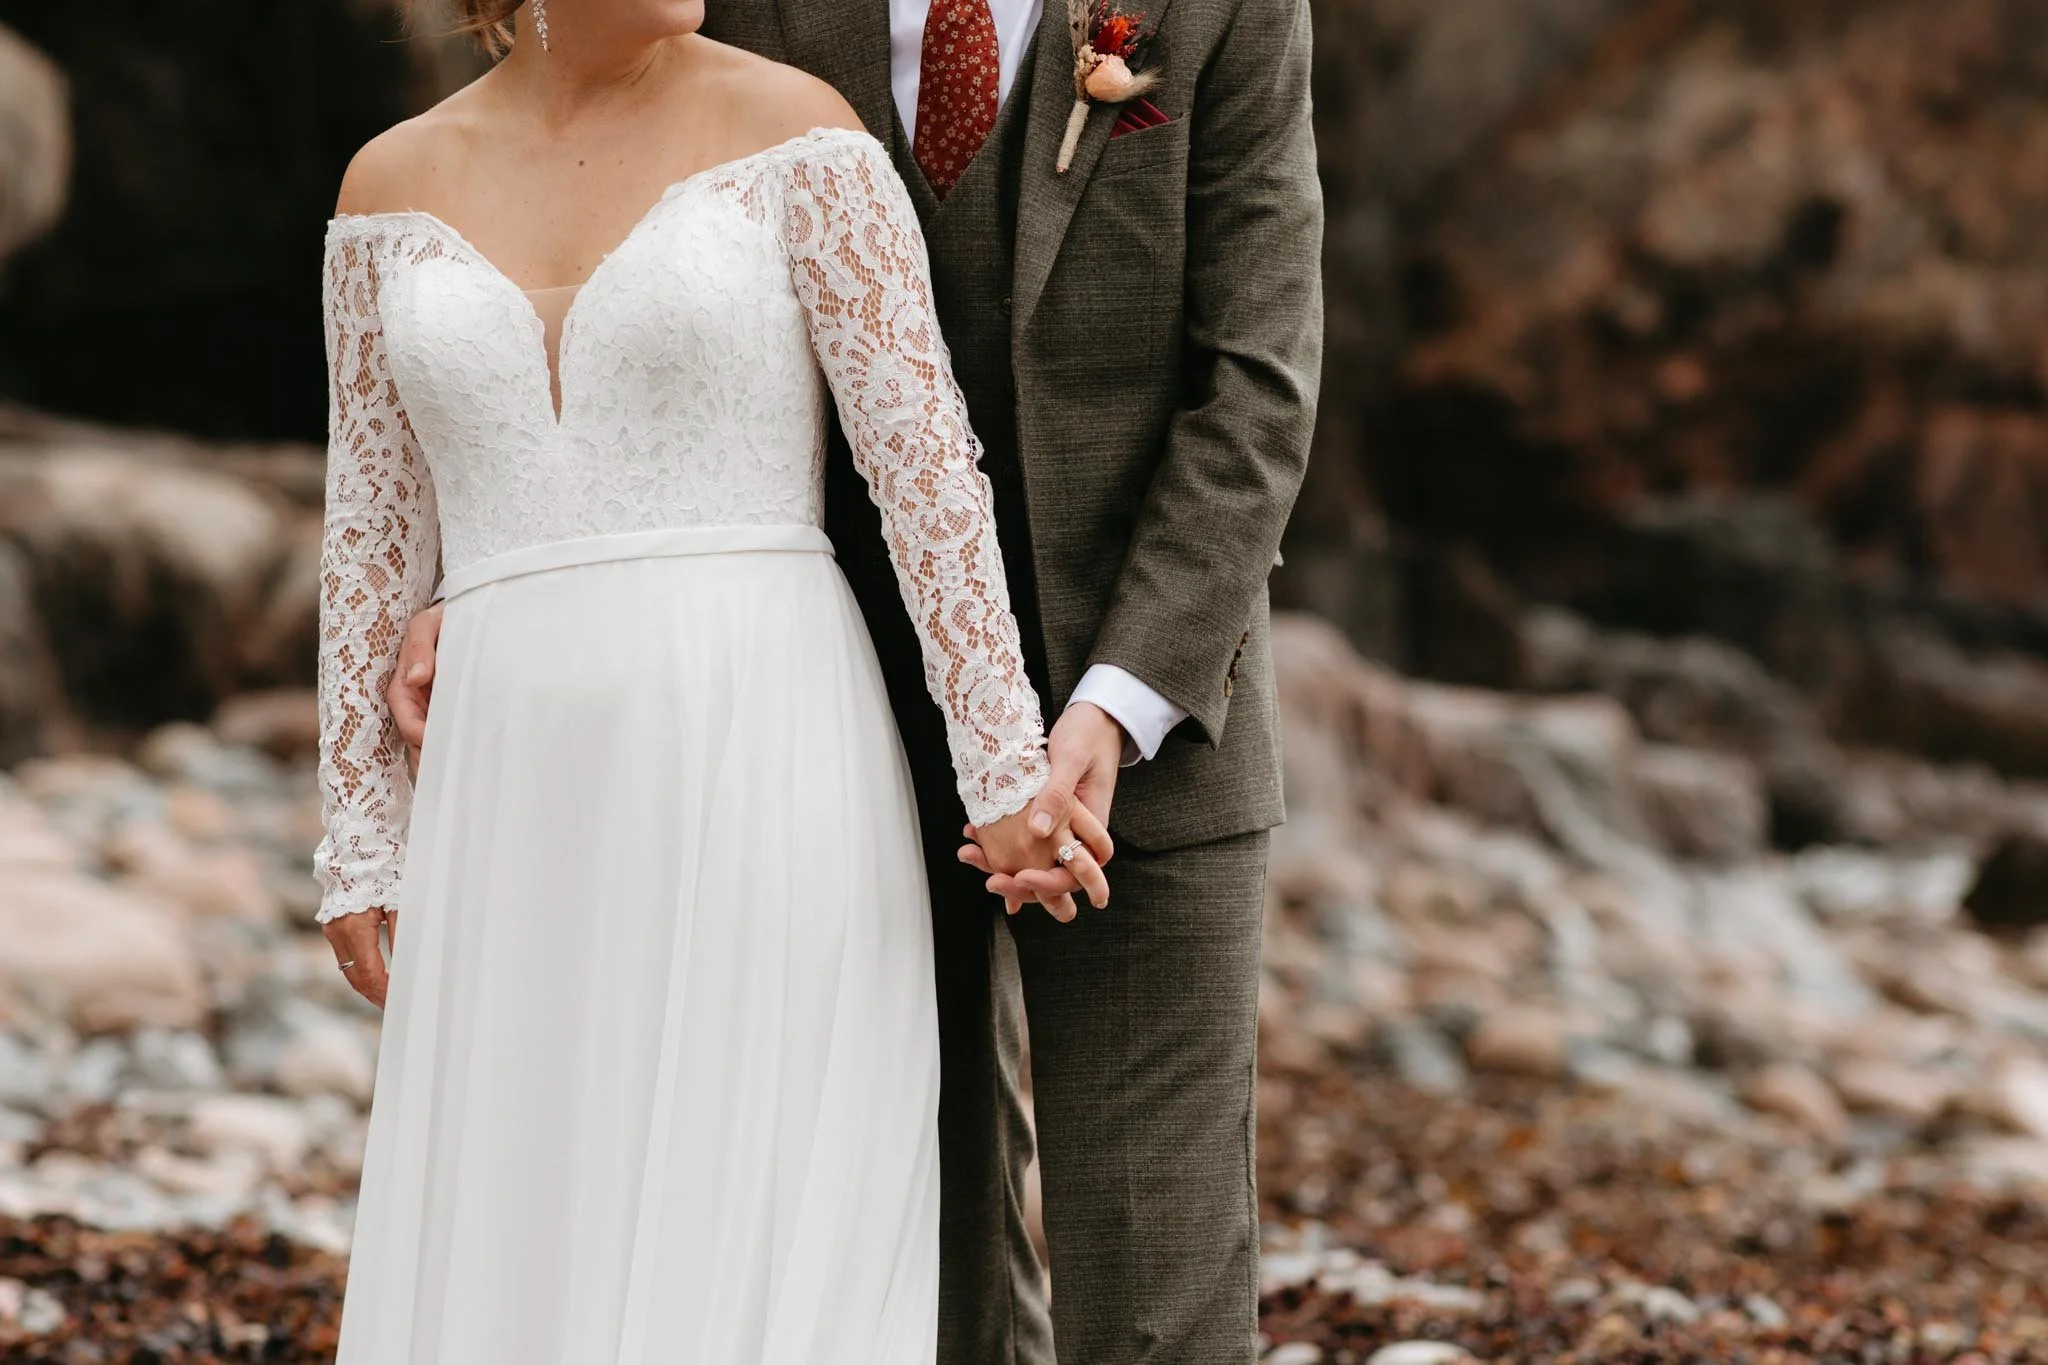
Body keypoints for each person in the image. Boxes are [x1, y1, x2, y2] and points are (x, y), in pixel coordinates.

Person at [376, 0, 1322, 1360]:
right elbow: (599, 280)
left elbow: (1260, 383)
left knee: (1159, 1284)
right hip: (830, 732)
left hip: (1158, 729)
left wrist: (1118, 698)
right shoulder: (725, 2)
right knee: (894, 1273)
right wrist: (497, 569)